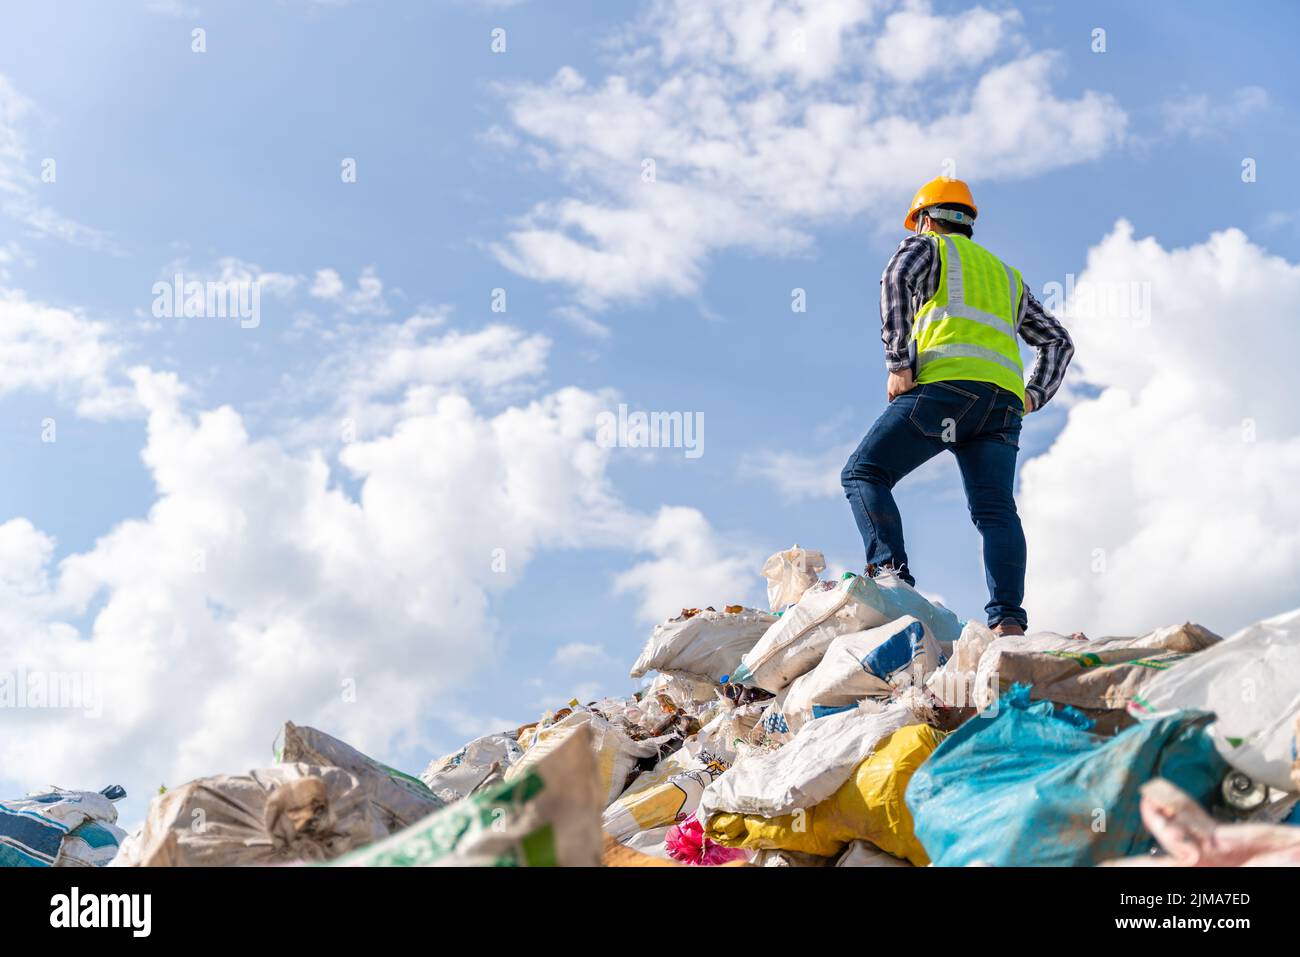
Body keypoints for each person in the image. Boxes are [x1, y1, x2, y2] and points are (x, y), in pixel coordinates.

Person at [841, 176, 1074, 636]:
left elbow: (895, 279)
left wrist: (898, 362)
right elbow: (1058, 342)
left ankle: (891, 576)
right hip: (1003, 405)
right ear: (967, 222)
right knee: (996, 512)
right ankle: (1008, 620)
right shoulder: (1006, 276)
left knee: (863, 472)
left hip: (947, 387)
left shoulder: (928, 247)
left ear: (926, 219)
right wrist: (1033, 395)